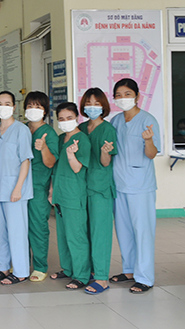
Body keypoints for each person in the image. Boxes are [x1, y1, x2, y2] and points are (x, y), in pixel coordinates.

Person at [109, 78, 160, 294]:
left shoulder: (148, 120)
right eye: (118, 95)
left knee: (143, 231)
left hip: (140, 185)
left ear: (137, 96)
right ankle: (129, 270)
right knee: (124, 230)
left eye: (127, 94)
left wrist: (148, 140)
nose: (123, 99)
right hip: (119, 184)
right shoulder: (115, 121)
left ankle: (145, 277)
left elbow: (152, 154)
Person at [0, 91, 33, 285]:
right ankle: (3, 268)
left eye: (7, 103)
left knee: (17, 232)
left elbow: (25, 161)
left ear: (14, 106)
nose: (3, 106)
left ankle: (21, 271)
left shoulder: (21, 130)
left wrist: (18, 188)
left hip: (15, 189)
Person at [78, 88, 117, 294]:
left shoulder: (107, 130)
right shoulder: (81, 128)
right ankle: (90, 271)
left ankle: (102, 278)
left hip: (100, 188)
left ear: (103, 106)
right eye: (88, 103)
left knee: (100, 233)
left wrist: (104, 152)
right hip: (82, 187)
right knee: (85, 232)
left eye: (96, 103)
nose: (91, 107)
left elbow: (105, 163)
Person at [49, 102, 92, 290]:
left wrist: (71, 154)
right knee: (64, 236)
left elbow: (76, 168)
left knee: (77, 237)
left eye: (69, 118)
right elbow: (56, 168)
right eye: (61, 119)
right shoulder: (60, 139)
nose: (65, 122)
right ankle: (68, 269)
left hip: (75, 195)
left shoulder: (81, 140)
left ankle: (82, 275)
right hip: (60, 194)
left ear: (77, 118)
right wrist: (52, 191)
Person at [24, 91, 58, 282]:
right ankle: (21, 262)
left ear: (45, 110)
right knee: (20, 227)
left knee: (37, 227)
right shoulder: (21, 129)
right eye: (30, 106)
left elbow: (51, 162)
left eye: (38, 106)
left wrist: (43, 147)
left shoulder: (49, 133)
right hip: (19, 185)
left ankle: (39, 266)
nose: (33, 110)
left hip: (38, 187)